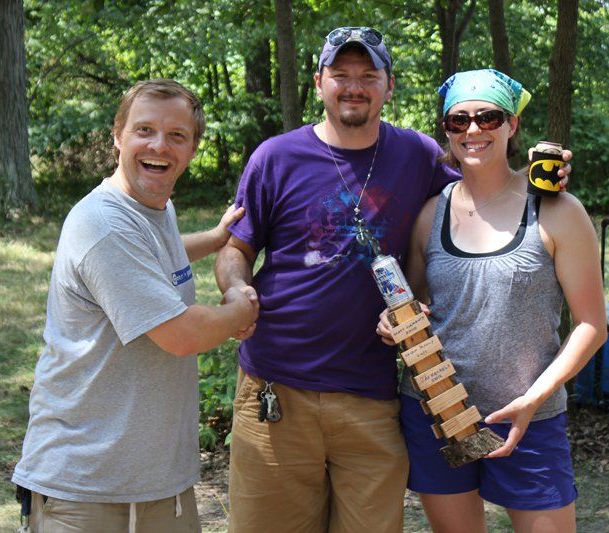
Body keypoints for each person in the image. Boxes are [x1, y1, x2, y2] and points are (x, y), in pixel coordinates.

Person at [215, 28, 572, 532]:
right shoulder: (275, 157)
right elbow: (236, 248)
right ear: (318, 82)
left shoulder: (418, 155)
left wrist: (546, 182)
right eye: (341, 74)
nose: (354, 86)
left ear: (389, 85)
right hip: (276, 390)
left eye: (368, 75)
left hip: (372, 396)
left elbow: (483, 192)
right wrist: (236, 288)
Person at [11, 79, 259, 533]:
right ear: (117, 136)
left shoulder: (154, 209)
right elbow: (181, 334)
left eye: (176, 135)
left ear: (192, 149)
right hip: (87, 490)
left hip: (159, 487)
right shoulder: (103, 223)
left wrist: (215, 238)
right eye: (144, 130)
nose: (159, 145)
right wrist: (241, 309)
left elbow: (151, 255)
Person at [377, 69, 607, 533]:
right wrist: (393, 321)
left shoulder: (556, 210)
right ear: (446, 130)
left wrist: (532, 400)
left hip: (530, 418)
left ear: (512, 125)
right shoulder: (431, 214)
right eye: (458, 120)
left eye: (488, 117)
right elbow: (416, 306)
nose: (473, 129)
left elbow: (591, 325)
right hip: (438, 413)